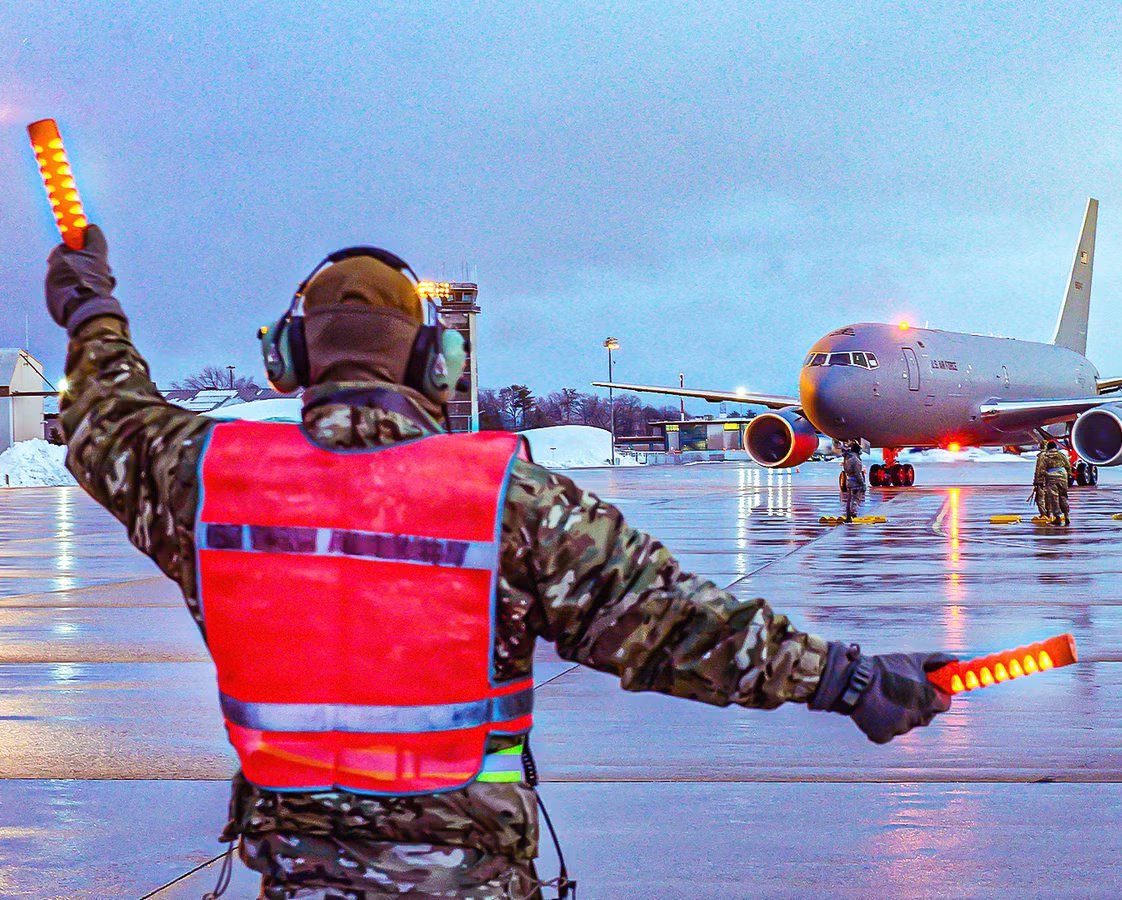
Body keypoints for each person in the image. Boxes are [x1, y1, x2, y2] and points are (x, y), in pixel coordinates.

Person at [44, 227, 956, 898]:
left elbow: (102, 417)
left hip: (298, 875)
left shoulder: (206, 483)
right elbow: (681, 626)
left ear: (288, 359)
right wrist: (847, 680)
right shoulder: (505, 499)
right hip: (467, 878)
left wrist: (93, 308)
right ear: (435, 363)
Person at [1033, 440, 1072, 526]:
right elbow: (1068, 466)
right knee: (1063, 496)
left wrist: (1038, 482)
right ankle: (1066, 515)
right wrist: (1069, 476)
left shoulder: (1045, 456)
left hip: (1051, 476)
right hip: (1063, 476)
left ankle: (1057, 517)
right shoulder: (1061, 455)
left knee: (1054, 498)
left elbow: (1041, 469)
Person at [840, 440, 867, 521]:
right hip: (855, 482)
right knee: (856, 498)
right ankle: (853, 514)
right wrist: (862, 484)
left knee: (849, 499)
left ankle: (848, 515)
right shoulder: (856, 460)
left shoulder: (847, 458)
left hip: (849, 480)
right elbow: (858, 473)